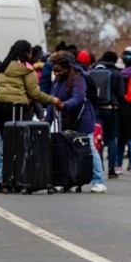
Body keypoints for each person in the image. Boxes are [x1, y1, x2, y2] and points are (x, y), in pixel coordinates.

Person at [45, 51, 107, 193]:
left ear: (67, 69)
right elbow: (51, 101)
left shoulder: (78, 78)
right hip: (66, 120)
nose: (57, 74)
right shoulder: (57, 82)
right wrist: (46, 122)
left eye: (59, 71)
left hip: (82, 118)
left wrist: (64, 105)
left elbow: (78, 98)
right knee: (67, 150)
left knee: (90, 148)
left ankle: (99, 181)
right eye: (54, 72)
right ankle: (70, 180)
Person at [0, 40, 61, 137]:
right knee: (19, 142)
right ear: (26, 53)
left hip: (0, 107)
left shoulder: (3, 67)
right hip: (17, 108)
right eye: (30, 53)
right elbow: (35, 93)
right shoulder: (27, 69)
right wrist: (52, 100)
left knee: (7, 142)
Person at [90, 51, 125, 179]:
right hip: (111, 109)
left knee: (98, 138)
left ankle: (99, 167)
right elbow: (121, 94)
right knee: (111, 139)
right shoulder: (116, 74)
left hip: (95, 109)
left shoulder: (91, 73)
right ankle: (112, 168)